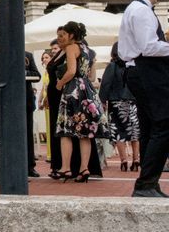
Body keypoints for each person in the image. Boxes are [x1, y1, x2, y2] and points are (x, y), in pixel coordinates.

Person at [118, 0, 169, 197]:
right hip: (146, 72)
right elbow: (149, 46)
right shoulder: (142, 11)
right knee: (164, 124)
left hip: (139, 72)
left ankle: (148, 183)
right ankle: (147, 183)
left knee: (151, 127)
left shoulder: (133, 10)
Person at [54, 21, 109, 183]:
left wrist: (60, 83)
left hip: (73, 90)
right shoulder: (89, 50)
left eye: (63, 35)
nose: (60, 38)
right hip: (87, 90)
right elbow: (91, 76)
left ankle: (65, 167)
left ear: (71, 35)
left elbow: (71, 71)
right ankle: (84, 168)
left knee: (66, 130)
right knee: (85, 132)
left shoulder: (71, 48)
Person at [99, 42, 140, 172]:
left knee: (118, 132)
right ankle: (136, 159)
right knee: (134, 130)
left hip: (116, 101)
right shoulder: (133, 64)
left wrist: (102, 100)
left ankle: (123, 161)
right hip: (133, 101)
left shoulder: (112, 66)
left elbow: (105, 84)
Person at [25, 51, 42, 177]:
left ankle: (30, 166)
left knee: (27, 133)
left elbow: (37, 75)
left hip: (26, 100)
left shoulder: (27, 55)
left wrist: (24, 73)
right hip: (7, 102)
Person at [37, 50, 53, 163]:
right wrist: (39, 98)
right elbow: (44, 85)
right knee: (48, 127)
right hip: (46, 101)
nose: (44, 60)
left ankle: (51, 154)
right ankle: (49, 153)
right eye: (43, 58)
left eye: (46, 57)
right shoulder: (46, 71)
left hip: (50, 100)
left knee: (51, 127)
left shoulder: (52, 70)